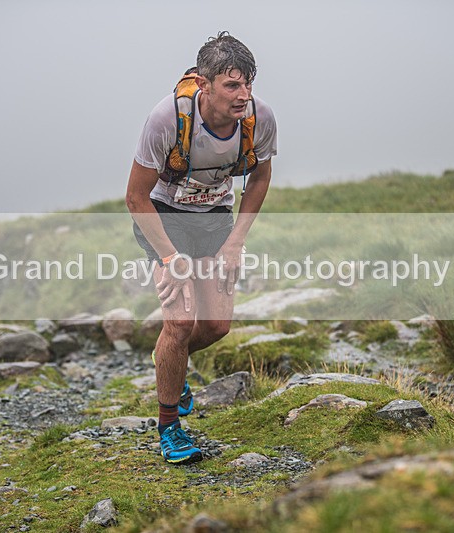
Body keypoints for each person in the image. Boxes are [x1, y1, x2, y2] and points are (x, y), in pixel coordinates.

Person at [125, 31, 277, 464]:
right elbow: (135, 198)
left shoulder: (258, 118)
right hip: (164, 218)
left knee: (214, 327)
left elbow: (261, 178)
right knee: (178, 323)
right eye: (232, 85)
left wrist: (235, 243)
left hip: (214, 220)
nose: (243, 95)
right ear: (204, 84)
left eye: (248, 83)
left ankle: (171, 368)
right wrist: (170, 259)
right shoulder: (166, 119)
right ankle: (169, 428)